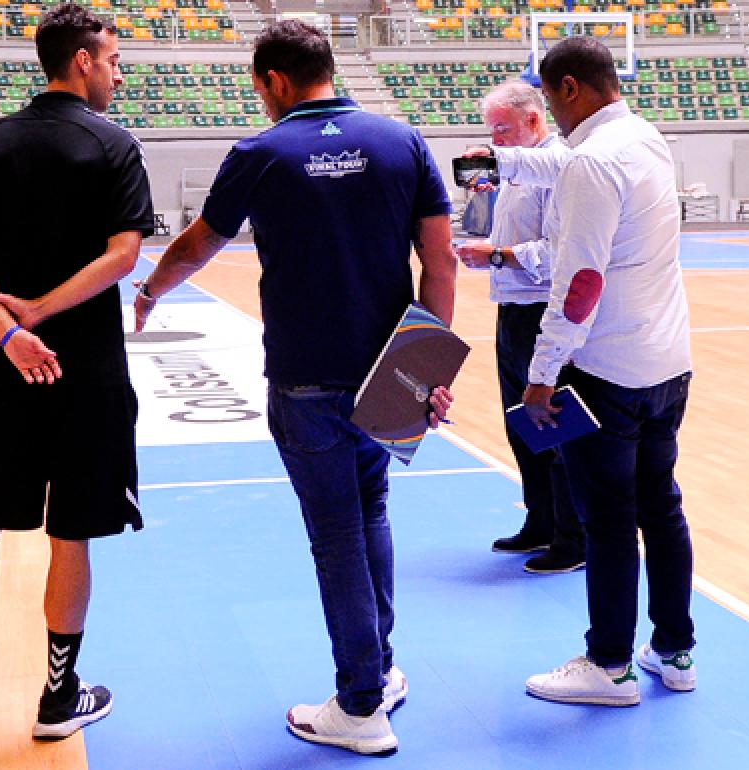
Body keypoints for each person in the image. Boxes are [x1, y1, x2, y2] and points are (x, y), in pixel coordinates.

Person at [134, 20, 456, 756]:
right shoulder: (400, 140)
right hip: (391, 374)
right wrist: (431, 366)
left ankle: (361, 702)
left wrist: (152, 290)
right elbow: (441, 263)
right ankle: (381, 667)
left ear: (275, 81)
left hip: (307, 379)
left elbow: (198, 243)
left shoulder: (261, 152)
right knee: (371, 511)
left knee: (338, 535)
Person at [0, 3, 154, 740]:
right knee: (72, 532)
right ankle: (59, 696)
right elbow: (123, 256)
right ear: (81, 61)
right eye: (113, 60)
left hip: (8, 365)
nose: (117, 73)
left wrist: (8, 327)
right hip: (86, 366)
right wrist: (42, 313)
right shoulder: (114, 144)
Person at [500, 38, 696, 706]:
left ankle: (609, 663)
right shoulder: (647, 139)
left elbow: (579, 282)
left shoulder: (590, 163)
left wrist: (542, 371)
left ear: (571, 88)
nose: (552, 113)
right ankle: (674, 650)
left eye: (551, 98)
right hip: (668, 362)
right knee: (661, 507)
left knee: (609, 518)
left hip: (607, 368)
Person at [456, 81, 585, 575]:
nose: (497, 141)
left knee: (555, 423)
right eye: (492, 131)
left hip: (543, 312)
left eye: (503, 130)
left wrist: (498, 255)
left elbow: (560, 253)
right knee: (522, 422)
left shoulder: (559, 170)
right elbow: (505, 236)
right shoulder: (515, 172)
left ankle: (575, 537)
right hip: (513, 307)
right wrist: (488, 242)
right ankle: (542, 521)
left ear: (534, 120)